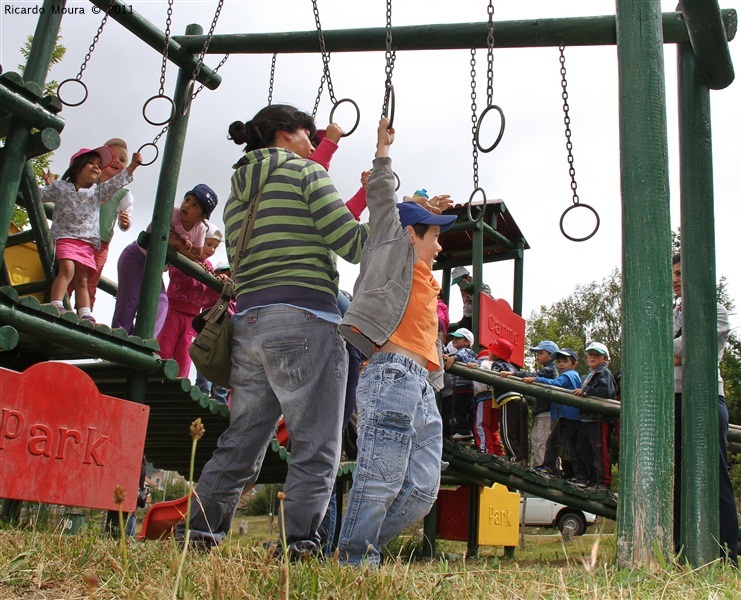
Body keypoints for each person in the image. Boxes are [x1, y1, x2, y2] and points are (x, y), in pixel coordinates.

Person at [180, 104, 369, 556]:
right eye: (310, 135)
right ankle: (298, 543)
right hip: (308, 318)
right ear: (288, 134)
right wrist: (385, 208)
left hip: (250, 324)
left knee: (241, 440)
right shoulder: (306, 173)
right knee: (317, 443)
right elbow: (353, 244)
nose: (313, 144)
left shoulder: (238, 189)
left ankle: (200, 534)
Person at [336, 117, 456, 566]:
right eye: (436, 235)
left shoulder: (426, 278)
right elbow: (386, 202)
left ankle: (356, 549)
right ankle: (353, 562)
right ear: (411, 234)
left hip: (423, 385)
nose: (441, 246)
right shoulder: (390, 251)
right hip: (390, 375)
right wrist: (383, 149)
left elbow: (417, 213)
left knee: (422, 490)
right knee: (380, 477)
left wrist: (428, 204)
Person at [672, 253, 738, 565]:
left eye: (681, 272)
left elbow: (693, 349)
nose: (674, 279)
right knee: (675, 477)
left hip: (707, 399)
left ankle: (727, 554)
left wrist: (668, 350)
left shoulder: (716, 309)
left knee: (714, 474)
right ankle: (679, 551)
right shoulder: (671, 312)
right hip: (672, 398)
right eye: (672, 273)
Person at [41, 145, 142, 323]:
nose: (96, 166)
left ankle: (84, 312)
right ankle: (55, 302)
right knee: (67, 269)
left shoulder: (97, 192)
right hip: (65, 237)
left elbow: (117, 183)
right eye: (91, 163)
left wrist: (133, 166)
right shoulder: (62, 187)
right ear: (76, 167)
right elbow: (39, 194)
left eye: (98, 164)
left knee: (83, 278)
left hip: (86, 243)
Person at [112, 184, 215, 336]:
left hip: (154, 266)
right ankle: (120, 333)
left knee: (161, 303)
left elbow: (196, 256)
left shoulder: (199, 228)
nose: (187, 205)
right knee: (130, 298)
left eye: (194, 205)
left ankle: (146, 339)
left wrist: (179, 247)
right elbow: (153, 231)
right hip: (136, 257)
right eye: (187, 200)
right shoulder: (171, 213)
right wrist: (179, 243)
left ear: (202, 216)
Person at [157, 222, 224, 378]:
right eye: (208, 244)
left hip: (191, 318)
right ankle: (157, 377)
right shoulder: (184, 256)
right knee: (165, 347)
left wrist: (219, 281)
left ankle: (180, 383)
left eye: (215, 247)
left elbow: (209, 293)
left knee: (185, 354)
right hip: (173, 311)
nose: (211, 250)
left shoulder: (208, 267)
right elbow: (173, 273)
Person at [85, 138, 135, 311]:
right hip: (80, 237)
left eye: (122, 160)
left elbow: (126, 219)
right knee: (69, 272)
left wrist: (125, 222)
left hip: (101, 242)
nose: (117, 161)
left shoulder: (123, 193)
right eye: (113, 157)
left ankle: (84, 313)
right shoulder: (89, 180)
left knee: (92, 279)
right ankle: (60, 303)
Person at [526, 348, 584, 482]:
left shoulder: (569, 375)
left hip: (567, 417)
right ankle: (580, 476)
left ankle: (549, 468)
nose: (561, 364)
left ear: (574, 364)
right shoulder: (571, 375)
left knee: (552, 443)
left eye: (565, 361)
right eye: (559, 361)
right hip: (573, 417)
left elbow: (555, 384)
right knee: (573, 448)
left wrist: (537, 379)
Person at [501, 340, 559, 466]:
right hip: (543, 412)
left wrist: (514, 373)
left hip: (546, 413)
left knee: (542, 439)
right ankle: (545, 466)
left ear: (551, 356)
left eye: (541, 353)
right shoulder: (547, 370)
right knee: (537, 437)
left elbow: (533, 375)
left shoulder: (549, 370)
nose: (537, 356)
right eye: (537, 353)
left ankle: (545, 467)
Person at [573, 341, 616, 489]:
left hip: (598, 419)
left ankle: (603, 482)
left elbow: (605, 392)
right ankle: (591, 478)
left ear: (605, 359)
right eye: (590, 354)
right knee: (583, 449)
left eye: (597, 355)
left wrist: (585, 391)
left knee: (599, 451)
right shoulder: (589, 375)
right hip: (586, 419)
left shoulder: (604, 373)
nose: (592, 357)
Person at [195, 261, 233, 404]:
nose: (227, 277)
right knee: (204, 362)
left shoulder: (233, 294)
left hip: (224, 336)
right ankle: (202, 394)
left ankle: (219, 398)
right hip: (209, 332)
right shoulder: (212, 289)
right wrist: (221, 279)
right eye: (224, 273)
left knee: (222, 366)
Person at [485, 337, 528, 464]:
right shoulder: (513, 367)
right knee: (521, 432)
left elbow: (493, 378)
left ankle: (514, 458)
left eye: (491, 350)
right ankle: (523, 459)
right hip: (521, 399)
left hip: (508, 400)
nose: (489, 353)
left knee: (507, 432)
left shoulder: (497, 365)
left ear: (496, 353)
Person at [444, 328, 478, 443]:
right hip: (459, 388)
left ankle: (464, 431)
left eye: (458, 338)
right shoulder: (458, 353)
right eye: (453, 338)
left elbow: (462, 355)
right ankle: (465, 435)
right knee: (459, 411)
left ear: (467, 342)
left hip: (464, 388)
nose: (454, 340)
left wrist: (453, 358)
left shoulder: (466, 352)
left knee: (459, 410)